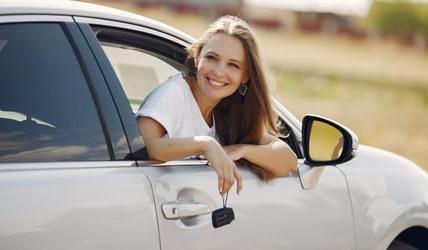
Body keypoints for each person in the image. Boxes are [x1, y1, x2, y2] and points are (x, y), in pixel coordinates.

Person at [136, 15, 297, 196]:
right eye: (212, 58)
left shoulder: (229, 111)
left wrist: (241, 150)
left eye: (233, 65)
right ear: (197, 58)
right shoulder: (173, 94)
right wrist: (204, 144)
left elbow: (288, 160)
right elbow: (139, 148)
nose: (219, 72)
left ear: (245, 76)